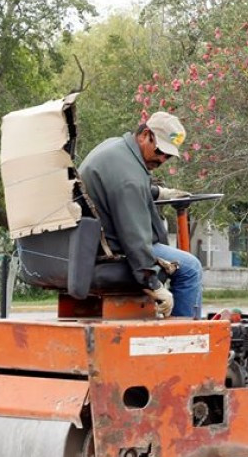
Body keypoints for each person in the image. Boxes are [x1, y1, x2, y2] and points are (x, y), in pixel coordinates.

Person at [79, 112, 203, 318]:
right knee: (191, 268)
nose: (162, 159)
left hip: (95, 243)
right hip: (115, 248)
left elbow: (121, 188)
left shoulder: (117, 149)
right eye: (160, 151)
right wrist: (153, 284)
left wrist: (160, 193)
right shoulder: (130, 178)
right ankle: (185, 332)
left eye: (168, 156)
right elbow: (135, 239)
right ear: (146, 135)